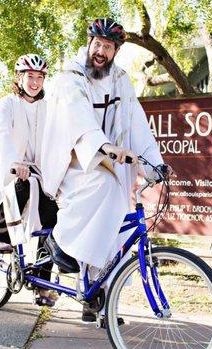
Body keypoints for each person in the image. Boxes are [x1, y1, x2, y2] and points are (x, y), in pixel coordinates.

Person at [40, 18, 168, 321]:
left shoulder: (121, 80)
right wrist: (105, 147)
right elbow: (77, 117)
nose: (100, 51)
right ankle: (59, 240)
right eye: (96, 44)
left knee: (111, 232)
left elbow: (137, 124)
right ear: (88, 44)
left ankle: (96, 299)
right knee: (105, 190)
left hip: (108, 165)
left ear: (116, 51)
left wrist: (155, 163)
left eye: (107, 47)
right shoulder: (70, 77)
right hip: (73, 163)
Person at [0, 53, 60, 306]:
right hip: (6, 166)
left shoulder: (47, 108)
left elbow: (55, 141)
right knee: (21, 185)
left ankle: (40, 282)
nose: (35, 82)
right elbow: (3, 134)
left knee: (52, 216)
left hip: (36, 170)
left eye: (39, 77)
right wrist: (15, 161)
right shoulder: (7, 104)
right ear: (19, 77)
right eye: (30, 76)